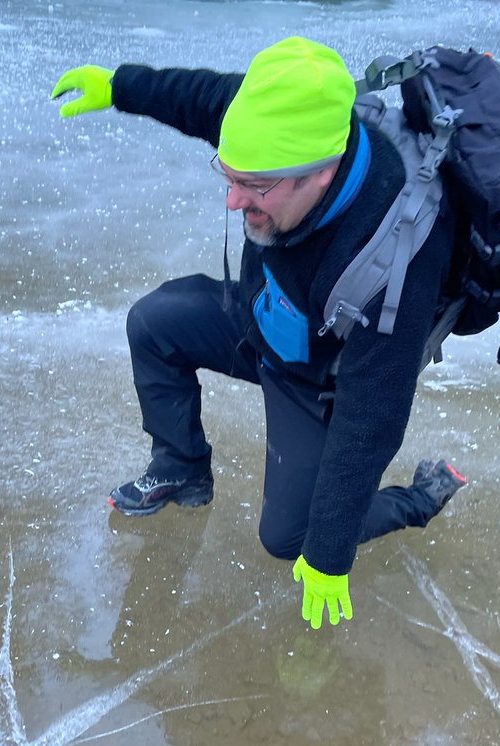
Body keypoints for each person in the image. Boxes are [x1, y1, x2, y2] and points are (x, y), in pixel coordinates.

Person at [51, 37, 467, 631]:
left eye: (255, 186)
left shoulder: (395, 254)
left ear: (321, 175)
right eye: (228, 173)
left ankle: (419, 499)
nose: (231, 198)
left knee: (291, 538)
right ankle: (182, 469)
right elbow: (196, 98)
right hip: (261, 319)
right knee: (154, 323)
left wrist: (327, 557)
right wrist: (120, 85)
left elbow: (372, 417)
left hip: (315, 379)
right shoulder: (270, 129)